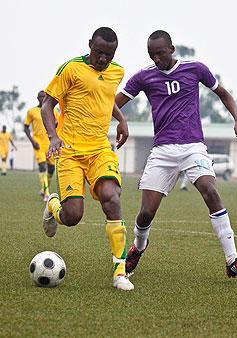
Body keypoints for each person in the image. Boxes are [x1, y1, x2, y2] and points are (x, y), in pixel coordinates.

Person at [115, 30, 237, 280]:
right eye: (152, 55)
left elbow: (222, 93)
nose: (157, 59)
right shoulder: (144, 77)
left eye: (160, 53)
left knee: (210, 191)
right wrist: (122, 121)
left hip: (193, 147)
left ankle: (232, 260)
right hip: (162, 151)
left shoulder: (195, 69)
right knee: (146, 212)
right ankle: (139, 246)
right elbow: (112, 103)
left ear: (171, 48)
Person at [41, 27, 133, 291]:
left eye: (109, 54)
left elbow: (105, 97)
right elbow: (48, 103)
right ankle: (53, 205)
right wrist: (53, 137)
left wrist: (122, 119)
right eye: (99, 52)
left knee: (111, 197)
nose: (103, 59)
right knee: (72, 217)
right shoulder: (70, 69)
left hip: (99, 149)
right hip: (69, 151)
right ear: (90, 44)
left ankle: (120, 273)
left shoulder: (117, 71)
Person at [24, 91, 59, 201]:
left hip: (49, 144)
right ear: (37, 98)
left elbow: (57, 124)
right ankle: (46, 193)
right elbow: (26, 127)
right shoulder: (32, 111)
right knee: (42, 166)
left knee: (51, 169)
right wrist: (32, 141)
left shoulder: (53, 110)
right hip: (38, 144)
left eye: (45, 96)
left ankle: (44, 189)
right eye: (41, 96)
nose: (43, 98)